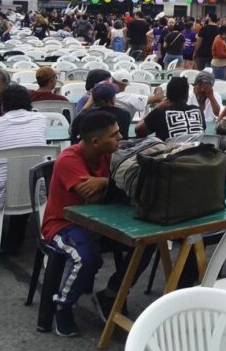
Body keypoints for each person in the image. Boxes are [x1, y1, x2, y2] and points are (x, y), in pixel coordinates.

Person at [43, 111, 152, 337]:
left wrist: (103, 182)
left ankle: (111, 293)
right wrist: (113, 185)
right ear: (95, 142)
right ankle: (63, 306)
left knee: (147, 242)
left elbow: (125, 182)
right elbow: (91, 197)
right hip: (64, 224)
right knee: (86, 258)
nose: (121, 137)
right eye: (114, 135)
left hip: (103, 221)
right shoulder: (68, 160)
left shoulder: (109, 154)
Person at [0, 85, 47, 248]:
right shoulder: (41, 120)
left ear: (3, 104)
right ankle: (14, 241)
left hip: (0, 195)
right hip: (35, 192)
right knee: (23, 177)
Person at [137, 76, 204, 141]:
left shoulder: (159, 113)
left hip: (171, 151)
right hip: (198, 150)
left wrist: (157, 108)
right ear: (187, 96)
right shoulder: (198, 111)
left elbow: (139, 131)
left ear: (167, 95)